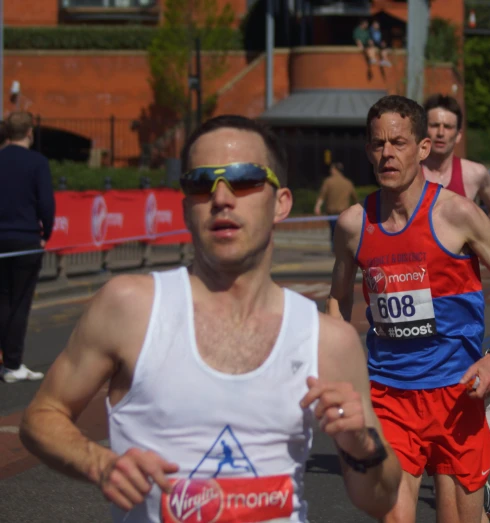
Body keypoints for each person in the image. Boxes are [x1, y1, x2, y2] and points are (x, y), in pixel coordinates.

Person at [19, 115, 402, 522]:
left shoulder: (328, 340)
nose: (221, 197)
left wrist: (361, 446)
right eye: (201, 183)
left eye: (244, 179)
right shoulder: (130, 307)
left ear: (281, 203)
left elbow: (379, 499)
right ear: (187, 208)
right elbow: (42, 416)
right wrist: (100, 463)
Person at [326, 95, 490, 523]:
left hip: (459, 390)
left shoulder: (455, 214)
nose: (387, 154)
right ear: (367, 151)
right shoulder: (352, 225)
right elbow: (339, 296)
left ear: (422, 149)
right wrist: (336, 364)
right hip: (389, 392)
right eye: (378, 144)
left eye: (398, 143)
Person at [0, 111, 54, 383]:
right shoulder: (37, 162)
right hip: (24, 239)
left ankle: (6, 362)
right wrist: (47, 233)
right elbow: (46, 203)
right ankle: (12, 364)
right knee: (19, 303)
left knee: (2, 300)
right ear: (30, 132)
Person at [421, 95, 490, 232]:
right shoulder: (410, 172)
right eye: (434, 125)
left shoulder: (474, 173)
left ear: (458, 135)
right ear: (424, 130)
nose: (440, 133)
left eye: (448, 127)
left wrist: (487, 243)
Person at [314, 161, 359, 251]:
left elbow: (322, 195)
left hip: (332, 213)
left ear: (335, 170)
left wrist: (317, 206)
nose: (330, 170)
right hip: (344, 212)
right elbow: (355, 198)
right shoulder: (348, 182)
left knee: (334, 232)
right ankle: (343, 248)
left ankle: (335, 249)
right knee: (343, 232)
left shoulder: (328, 181)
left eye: (331, 169)